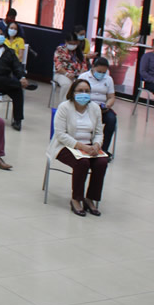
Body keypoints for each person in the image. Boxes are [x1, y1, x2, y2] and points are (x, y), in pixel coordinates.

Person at [49, 79, 109, 216]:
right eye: (80, 91)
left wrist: (96, 145)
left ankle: (90, 198)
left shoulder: (94, 108)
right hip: (65, 146)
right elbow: (60, 134)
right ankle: (76, 199)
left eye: (87, 91)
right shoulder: (64, 107)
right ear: (73, 92)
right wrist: (81, 146)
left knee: (102, 162)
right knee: (82, 163)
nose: (84, 94)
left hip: (89, 146)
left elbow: (99, 132)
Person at [0, 25, 29, 131]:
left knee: (17, 90)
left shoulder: (10, 52)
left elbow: (17, 66)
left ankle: (17, 120)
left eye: (2, 34)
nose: (0, 36)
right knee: (0, 80)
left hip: (5, 83)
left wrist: (22, 77)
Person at [78, 57, 117, 157]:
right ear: (93, 67)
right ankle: (86, 146)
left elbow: (111, 97)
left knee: (112, 119)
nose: (101, 74)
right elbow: (77, 95)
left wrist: (108, 104)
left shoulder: (108, 79)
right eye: (99, 71)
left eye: (104, 72)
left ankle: (103, 149)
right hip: (86, 107)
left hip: (102, 108)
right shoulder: (84, 77)